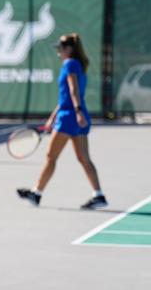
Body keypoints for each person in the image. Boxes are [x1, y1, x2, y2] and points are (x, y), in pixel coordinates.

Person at [17, 33, 108, 210]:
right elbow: (67, 96)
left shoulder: (69, 64)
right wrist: (53, 117)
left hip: (69, 118)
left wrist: (77, 112)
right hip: (73, 115)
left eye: (61, 48)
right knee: (84, 158)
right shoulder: (79, 65)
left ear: (69, 49)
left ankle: (36, 193)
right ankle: (99, 195)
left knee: (51, 157)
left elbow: (73, 91)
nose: (58, 52)